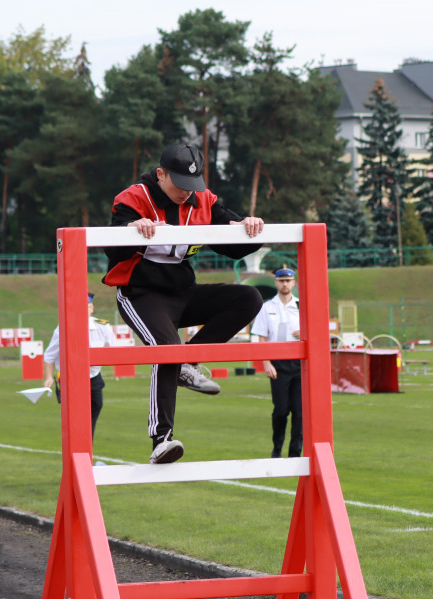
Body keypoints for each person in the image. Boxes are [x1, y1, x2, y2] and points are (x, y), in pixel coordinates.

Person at [105, 143, 264, 465]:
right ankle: (161, 439)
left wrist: (249, 228)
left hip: (183, 293)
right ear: (160, 174)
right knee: (167, 349)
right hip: (141, 294)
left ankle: (188, 364)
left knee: (248, 297)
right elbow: (112, 249)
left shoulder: (204, 201)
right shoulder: (133, 198)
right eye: (179, 185)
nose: (185, 193)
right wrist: (130, 231)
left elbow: (233, 245)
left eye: (192, 186)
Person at [43, 292, 115, 436]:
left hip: (93, 378)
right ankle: (76, 451)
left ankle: (88, 449)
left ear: (92, 308)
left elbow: (112, 350)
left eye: (87, 307)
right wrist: (49, 377)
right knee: (75, 419)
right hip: (71, 380)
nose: (84, 310)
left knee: (94, 411)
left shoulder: (103, 327)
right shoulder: (63, 329)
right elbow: (49, 356)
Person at [251, 268, 302, 459]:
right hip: (278, 364)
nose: (285, 284)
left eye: (288, 281)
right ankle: (277, 448)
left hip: (299, 363)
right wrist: (266, 363)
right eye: (281, 281)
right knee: (281, 411)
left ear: (294, 283)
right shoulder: (267, 307)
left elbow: (315, 334)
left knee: (299, 411)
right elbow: (262, 337)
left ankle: (295, 453)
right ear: (276, 283)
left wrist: (305, 333)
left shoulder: (301, 306)